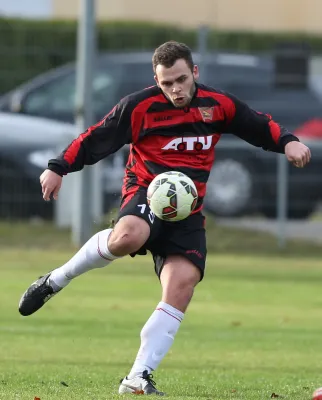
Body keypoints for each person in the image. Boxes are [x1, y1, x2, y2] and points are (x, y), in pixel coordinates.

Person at [18, 41, 311, 396]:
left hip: (188, 210)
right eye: (166, 82)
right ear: (156, 81)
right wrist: (58, 167)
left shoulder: (218, 105)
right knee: (128, 236)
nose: (175, 89)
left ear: (194, 74)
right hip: (146, 191)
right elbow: (96, 137)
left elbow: (256, 124)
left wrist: (289, 143)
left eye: (181, 80)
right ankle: (54, 280)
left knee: (182, 283)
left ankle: (138, 377)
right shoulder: (139, 107)